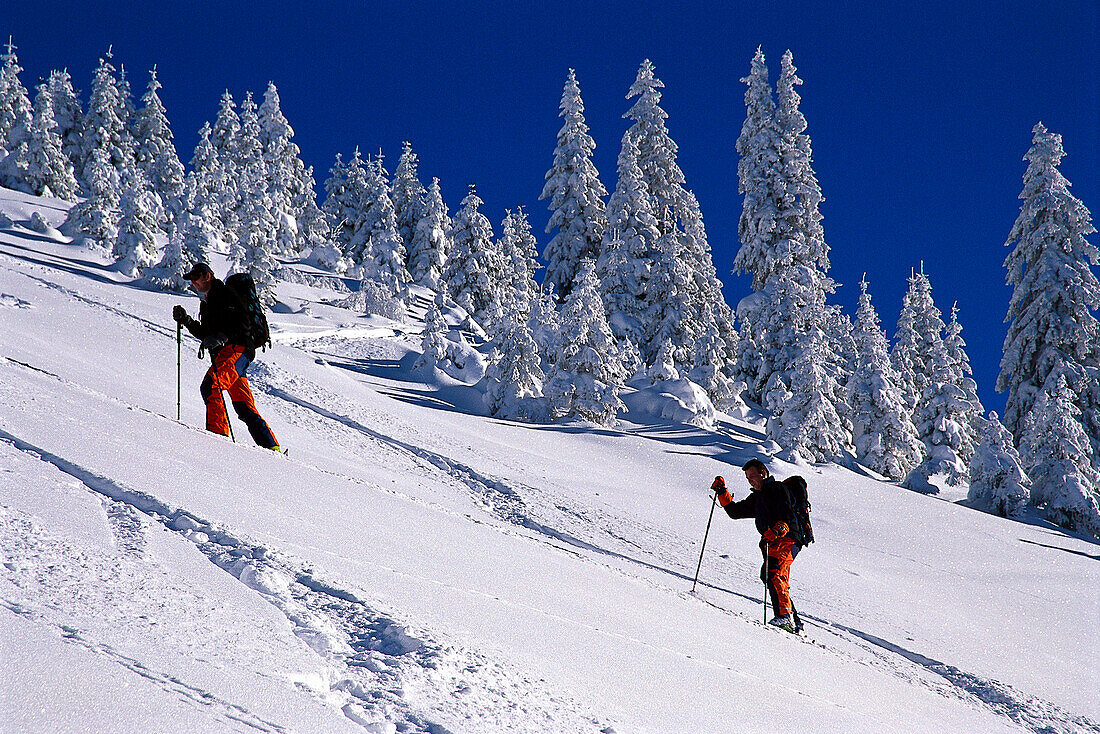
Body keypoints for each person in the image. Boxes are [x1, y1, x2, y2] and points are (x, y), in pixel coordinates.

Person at [172, 262, 280, 451]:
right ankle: (272, 448)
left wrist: (222, 337)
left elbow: (243, 325)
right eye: (192, 280)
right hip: (230, 354)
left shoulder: (224, 294)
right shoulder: (207, 301)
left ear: (207, 276)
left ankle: (217, 441)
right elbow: (207, 333)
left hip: (237, 350)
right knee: (244, 406)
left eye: (196, 278)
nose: (194, 283)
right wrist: (187, 321)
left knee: (211, 386)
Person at [712, 459, 802, 632]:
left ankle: (785, 618)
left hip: (787, 539)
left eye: (752, 476)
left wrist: (778, 530)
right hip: (773, 541)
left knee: (773, 573)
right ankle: (794, 622)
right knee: (771, 575)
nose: (750, 480)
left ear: (763, 473)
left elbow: (787, 516)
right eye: (747, 478)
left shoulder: (777, 489)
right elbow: (735, 512)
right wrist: (722, 492)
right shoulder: (758, 497)